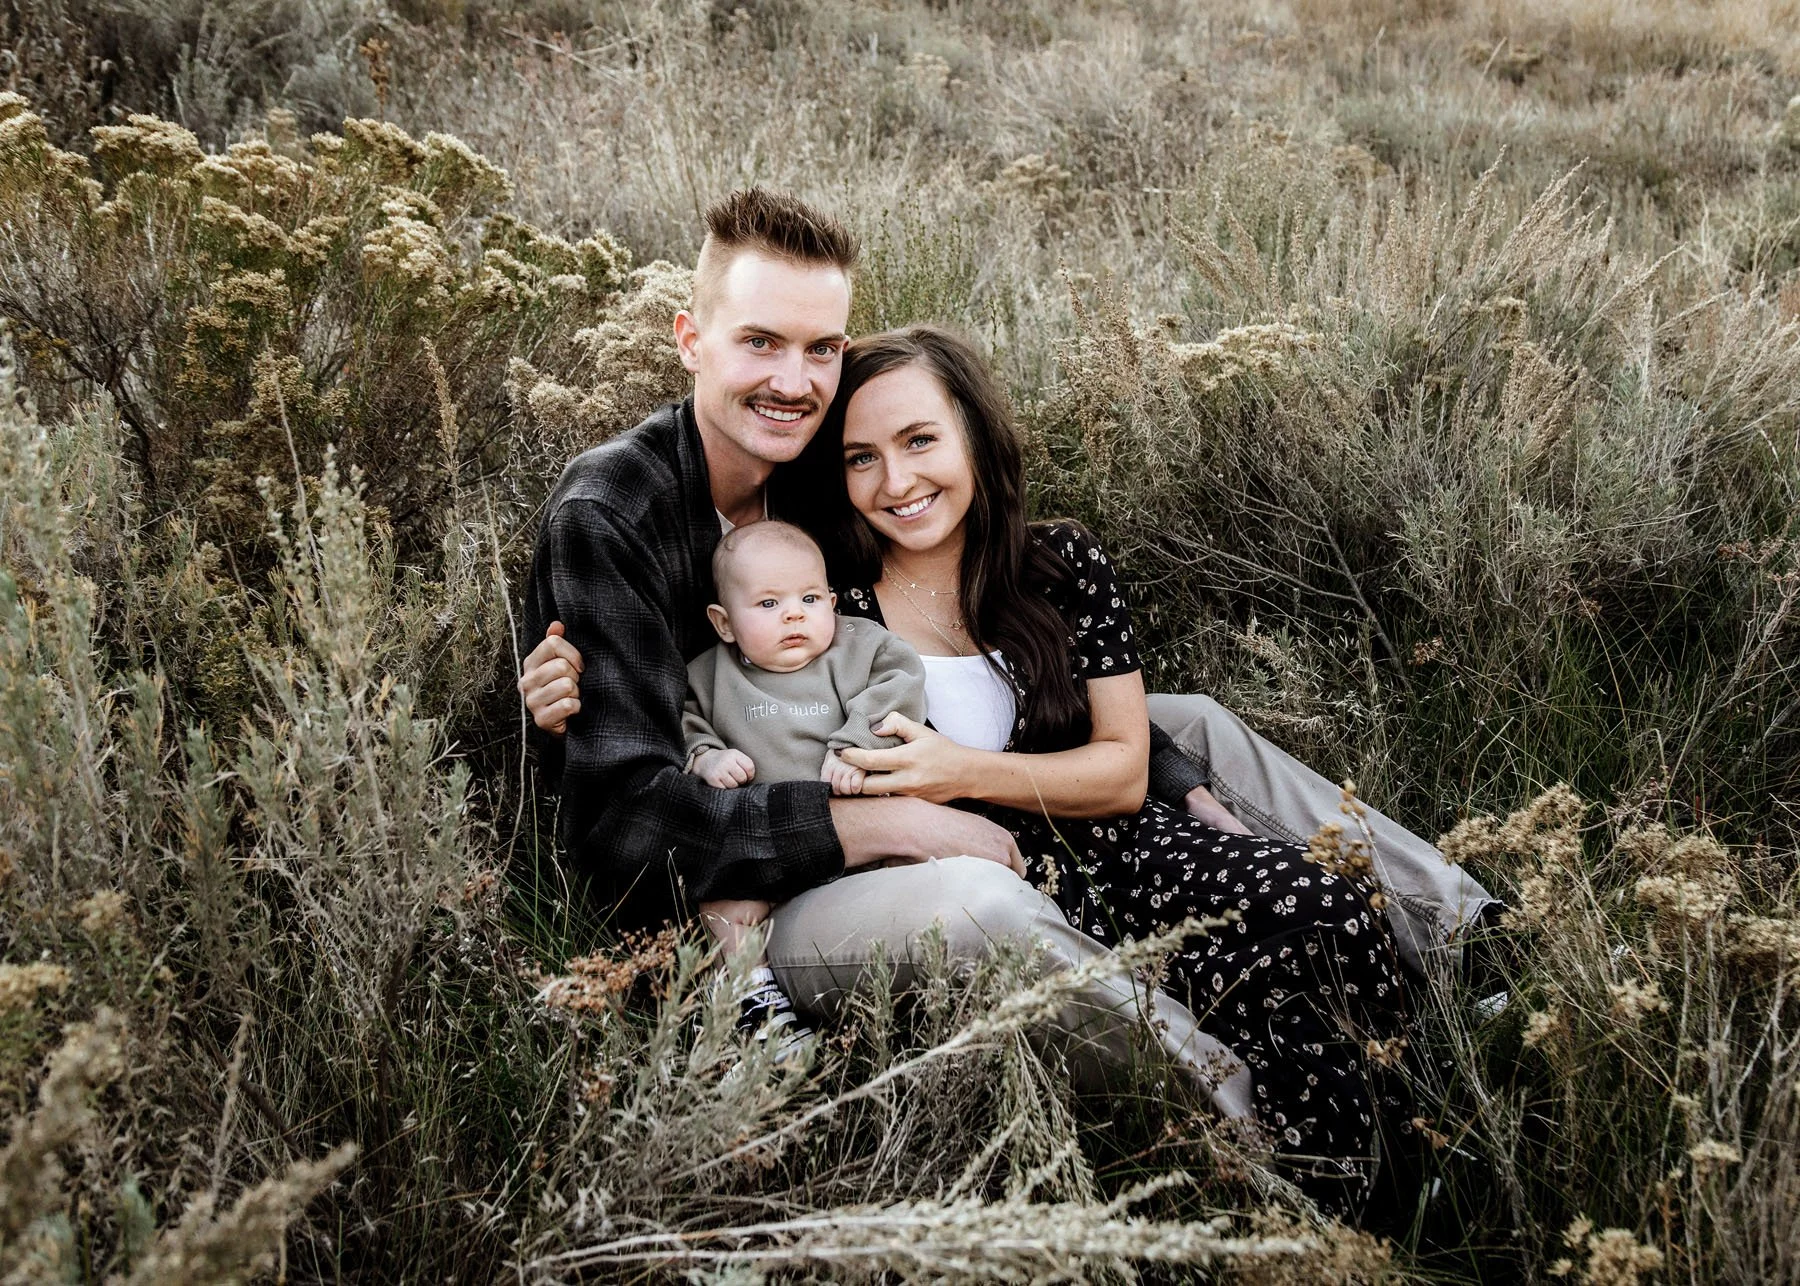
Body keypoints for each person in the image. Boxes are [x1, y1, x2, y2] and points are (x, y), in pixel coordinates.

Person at [522, 188, 1257, 1135]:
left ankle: (1454, 940)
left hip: (868, 793)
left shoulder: (819, 468)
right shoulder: (611, 513)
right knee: (979, 898)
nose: (796, 380)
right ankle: (1236, 1127)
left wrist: (1161, 765)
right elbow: (627, 829)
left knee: (1187, 720)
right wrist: (895, 824)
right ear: (688, 339)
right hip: (742, 902)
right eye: (760, 342)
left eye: (821, 348)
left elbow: (969, 643)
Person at [684, 518, 928, 1051]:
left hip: (862, 833)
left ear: (833, 602)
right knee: (722, 905)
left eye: (811, 597)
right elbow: (682, 723)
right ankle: (755, 1007)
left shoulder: (857, 646)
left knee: (914, 874)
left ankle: (911, 1012)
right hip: (768, 854)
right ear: (723, 623)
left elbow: (900, 681)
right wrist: (705, 756)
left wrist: (856, 742)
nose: (795, 613)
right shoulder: (709, 674)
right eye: (768, 604)